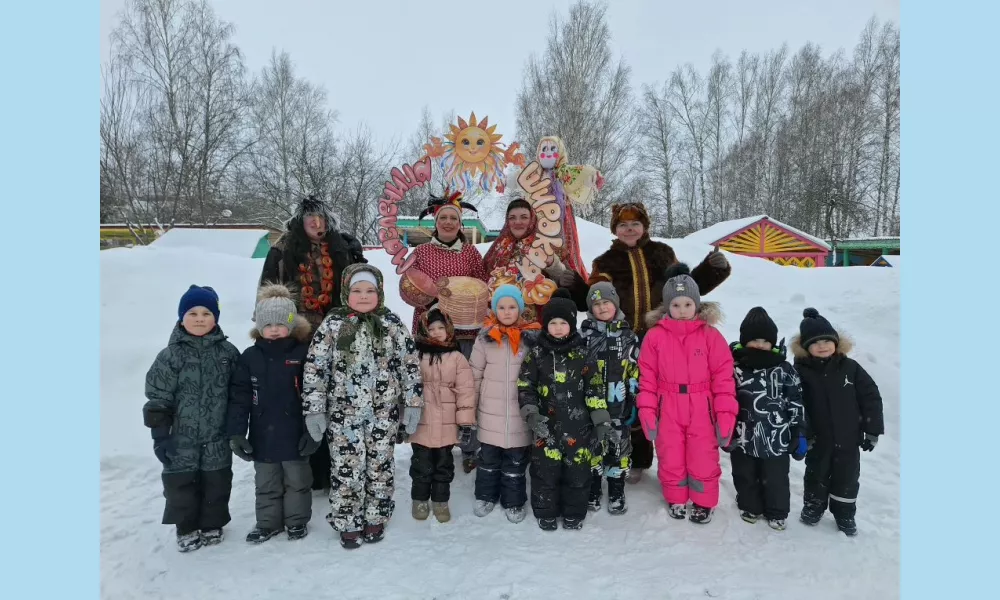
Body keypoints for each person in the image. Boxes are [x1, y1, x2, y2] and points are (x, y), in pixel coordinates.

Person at [548, 201, 732, 484]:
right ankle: (635, 457)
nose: (630, 229)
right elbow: (593, 299)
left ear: (645, 226)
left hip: (663, 338)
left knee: (664, 399)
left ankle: (676, 454)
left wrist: (711, 269)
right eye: (623, 225)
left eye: (635, 223)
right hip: (623, 340)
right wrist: (572, 283)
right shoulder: (605, 262)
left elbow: (684, 289)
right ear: (615, 229)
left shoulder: (662, 253)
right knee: (632, 399)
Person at [301, 264, 423, 549]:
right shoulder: (333, 325)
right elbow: (316, 369)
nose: (364, 296)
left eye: (370, 290)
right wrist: (314, 409)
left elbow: (409, 365)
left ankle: (375, 517)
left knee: (380, 465)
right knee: (346, 467)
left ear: (380, 292)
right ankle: (348, 520)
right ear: (346, 292)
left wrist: (412, 403)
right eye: (357, 290)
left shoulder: (391, 324)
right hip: (343, 416)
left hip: (384, 413)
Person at [257, 195, 367, 492]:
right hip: (298, 334)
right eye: (310, 218)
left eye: (321, 218)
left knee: (338, 397)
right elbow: (268, 295)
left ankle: (336, 465)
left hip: (339, 332)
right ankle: (306, 469)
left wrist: (357, 258)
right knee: (303, 399)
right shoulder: (283, 250)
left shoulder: (341, 246)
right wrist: (274, 331)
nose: (317, 223)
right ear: (300, 221)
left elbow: (361, 290)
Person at [142, 285, 241, 552]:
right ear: (181, 317)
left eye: (206, 313)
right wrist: (160, 435)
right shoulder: (170, 356)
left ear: (216, 318)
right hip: (180, 436)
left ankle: (212, 524)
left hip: (216, 436)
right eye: (192, 313)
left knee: (217, 482)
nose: (199, 319)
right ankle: (186, 527)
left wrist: (236, 428)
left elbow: (238, 394)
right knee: (180, 485)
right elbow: (158, 398)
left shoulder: (228, 354)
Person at [636, 265, 737, 524]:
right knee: (670, 453)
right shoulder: (655, 337)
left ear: (697, 305)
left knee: (703, 454)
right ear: (667, 307)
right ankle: (676, 496)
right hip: (667, 404)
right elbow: (647, 378)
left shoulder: (710, 336)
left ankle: (703, 501)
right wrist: (647, 410)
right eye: (676, 305)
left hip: (702, 405)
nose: (682, 310)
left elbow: (723, 378)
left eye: (688, 304)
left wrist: (725, 414)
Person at [399, 192, 488, 473]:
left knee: (465, 388)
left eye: (453, 218)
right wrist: (430, 296)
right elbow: (408, 288)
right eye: (443, 218)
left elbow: (483, 285)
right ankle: (434, 444)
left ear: (460, 224)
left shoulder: (470, 253)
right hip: (432, 331)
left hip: (465, 332)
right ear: (435, 222)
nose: (448, 222)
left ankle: (470, 446)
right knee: (433, 388)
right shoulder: (421, 253)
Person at [227, 284, 322, 544]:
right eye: (268, 324)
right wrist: (237, 432)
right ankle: (267, 523)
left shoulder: (303, 354)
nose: (275, 329)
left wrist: (313, 431)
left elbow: (315, 393)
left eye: (281, 323)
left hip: (295, 434)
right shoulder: (250, 357)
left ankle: (296, 522)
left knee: (298, 481)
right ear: (259, 326)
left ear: (291, 324)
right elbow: (239, 397)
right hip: (263, 435)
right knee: (266, 483)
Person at [518, 289, 610, 531]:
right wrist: (531, 413)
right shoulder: (537, 354)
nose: (558, 328)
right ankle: (546, 512)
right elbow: (526, 385)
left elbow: (594, 388)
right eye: (553, 323)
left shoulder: (583, 354)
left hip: (578, 429)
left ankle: (574, 513)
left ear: (571, 324)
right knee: (544, 473)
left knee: (577, 474)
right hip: (545, 428)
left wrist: (601, 421)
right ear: (546, 325)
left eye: (563, 323)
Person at [792, 308, 884, 537]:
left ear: (836, 343)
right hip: (818, 439)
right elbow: (797, 405)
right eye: (815, 343)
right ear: (806, 347)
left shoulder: (850, 368)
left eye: (826, 341)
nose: (822, 346)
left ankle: (844, 514)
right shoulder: (800, 372)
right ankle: (813, 506)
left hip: (848, 438)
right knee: (816, 474)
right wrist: (805, 433)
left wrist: (872, 429)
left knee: (847, 478)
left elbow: (870, 397)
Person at [727, 307, 807, 531]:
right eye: (754, 340)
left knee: (776, 478)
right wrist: (725, 429)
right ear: (744, 341)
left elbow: (795, 400)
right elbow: (724, 399)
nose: (760, 345)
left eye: (765, 341)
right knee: (744, 474)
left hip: (777, 437)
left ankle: (777, 511)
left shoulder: (783, 369)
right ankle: (749, 506)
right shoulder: (734, 368)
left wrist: (799, 430)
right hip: (743, 435)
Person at [468, 284, 541, 523]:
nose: (507, 312)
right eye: (501, 307)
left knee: (516, 461)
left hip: (519, 413)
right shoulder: (485, 338)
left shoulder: (531, 338)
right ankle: (485, 496)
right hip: (491, 412)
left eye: (512, 307)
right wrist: (470, 407)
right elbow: (474, 374)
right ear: (494, 309)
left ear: (520, 308)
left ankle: (514, 500)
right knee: (488, 459)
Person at [409, 309, 476, 523]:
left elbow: (465, 390)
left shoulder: (456, 357)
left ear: (449, 330)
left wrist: (465, 421)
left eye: (441, 328)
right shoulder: (415, 355)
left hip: (447, 422)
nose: (437, 332)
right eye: (431, 329)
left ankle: (440, 501)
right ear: (423, 331)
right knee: (421, 464)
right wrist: (404, 419)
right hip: (422, 420)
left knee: (443, 465)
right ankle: (419, 499)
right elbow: (406, 386)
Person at [579, 282, 640, 516]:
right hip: (591, 408)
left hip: (619, 407)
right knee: (592, 447)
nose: (602, 307)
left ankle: (616, 489)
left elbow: (635, 370)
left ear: (615, 304)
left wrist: (634, 395)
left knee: (618, 449)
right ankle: (593, 487)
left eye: (606, 302)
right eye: (596, 304)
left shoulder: (628, 336)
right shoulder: (584, 336)